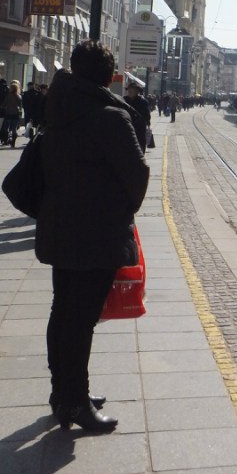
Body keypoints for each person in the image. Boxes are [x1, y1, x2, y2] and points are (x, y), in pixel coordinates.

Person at [36, 41, 149, 433]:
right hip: (96, 233)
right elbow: (137, 178)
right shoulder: (111, 118)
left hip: (59, 228)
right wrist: (119, 211)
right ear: (107, 75)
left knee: (62, 311)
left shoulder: (57, 107)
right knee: (81, 319)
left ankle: (61, 392)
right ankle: (76, 403)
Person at [124, 79, 151, 152]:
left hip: (139, 130)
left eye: (132, 89)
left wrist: (146, 122)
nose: (130, 91)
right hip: (125, 130)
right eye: (129, 89)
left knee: (139, 150)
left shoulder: (143, 102)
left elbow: (147, 116)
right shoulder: (123, 100)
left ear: (137, 91)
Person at [1, 81, 23, 148]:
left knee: (6, 128)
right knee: (14, 129)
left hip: (9, 113)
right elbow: (20, 104)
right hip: (16, 113)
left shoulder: (9, 95)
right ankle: (13, 141)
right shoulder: (19, 96)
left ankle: (5, 140)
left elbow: (4, 104)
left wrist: (2, 107)